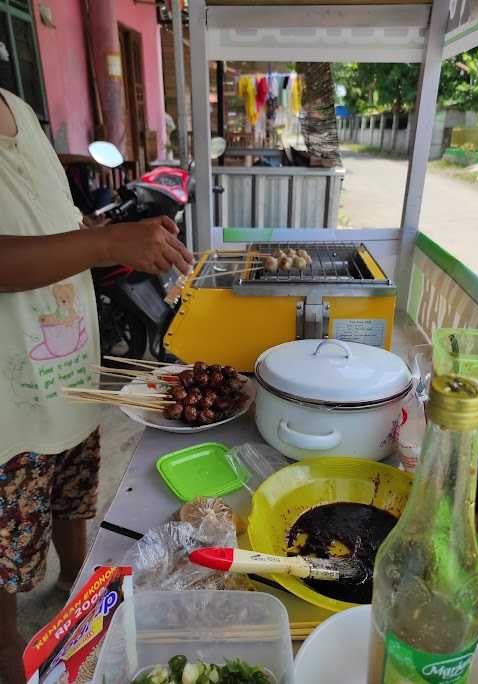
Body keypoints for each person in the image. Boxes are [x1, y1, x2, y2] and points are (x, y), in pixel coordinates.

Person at [0, 88, 194, 683]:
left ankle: (75, 574)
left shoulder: (18, 105)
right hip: (12, 396)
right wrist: (105, 244)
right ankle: (8, 651)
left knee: (73, 485)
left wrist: (101, 229)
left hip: (67, 369)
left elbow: (48, 214)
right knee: (5, 545)